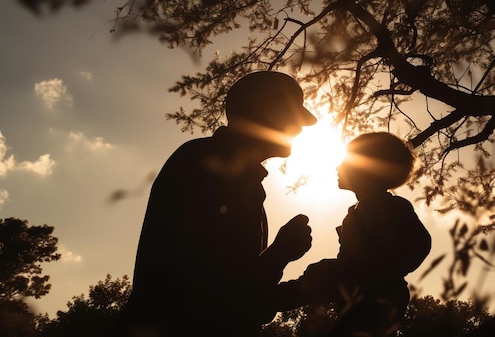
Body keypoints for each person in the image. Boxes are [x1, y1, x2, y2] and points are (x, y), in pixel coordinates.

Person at [115, 71, 317, 337]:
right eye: (291, 115)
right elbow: (212, 294)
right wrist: (281, 253)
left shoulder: (234, 174)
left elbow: (237, 297)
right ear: (262, 111)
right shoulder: (205, 165)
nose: (299, 128)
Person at [277, 132, 431, 336]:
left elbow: (422, 242)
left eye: (346, 161)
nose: (337, 166)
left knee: (320, 276)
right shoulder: (356, 212)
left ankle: (270, 298)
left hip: (377, 295)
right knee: (320, 276)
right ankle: (275, 297)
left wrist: (384, 271)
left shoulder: (392, 207)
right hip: (356, 292)